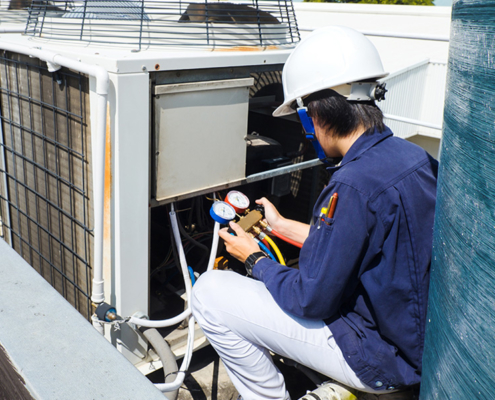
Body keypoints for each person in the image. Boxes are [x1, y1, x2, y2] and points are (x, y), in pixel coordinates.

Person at [191, 26, 438, 400]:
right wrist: (279, 225)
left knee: (209, 292)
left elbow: (311, 298)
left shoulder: (352, 184)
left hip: (378, 356)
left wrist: (254, 259)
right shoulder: (413, 157)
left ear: (316, 115)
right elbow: (355, 244)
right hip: (415, 346)